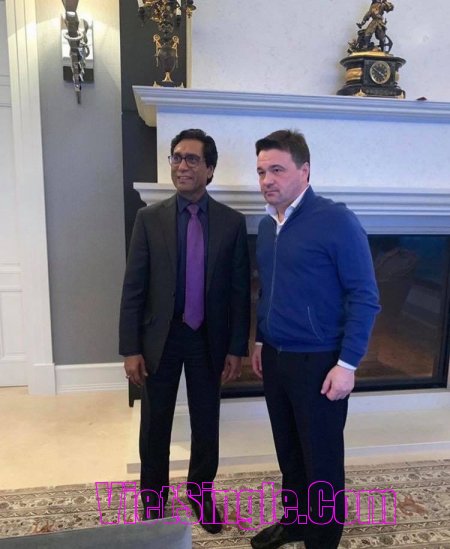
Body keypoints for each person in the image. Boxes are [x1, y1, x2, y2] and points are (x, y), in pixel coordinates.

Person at [250, 130, 380, 549]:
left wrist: (347, 365)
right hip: (276, 357)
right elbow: (268, 291)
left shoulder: (336, 221)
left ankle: (321, 541)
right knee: (289, 452)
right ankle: (295, 522)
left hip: (320, 363)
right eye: (261, 171)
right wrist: (260, 340)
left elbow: (365, 296)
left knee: (321, 460)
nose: (267, 180)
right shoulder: (266, 226)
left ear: (304, 171)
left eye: (277, 169)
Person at [119, 128, 250, 533]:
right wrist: (130, 348)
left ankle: (200, 492)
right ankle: (153, 500)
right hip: (160, 339)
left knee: (206, 420)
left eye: (192, 159)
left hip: (208, 339)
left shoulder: (232, 223)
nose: (182, 165)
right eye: (176, 157)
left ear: (209, 169)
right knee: (155, 422)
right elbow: (133, 287)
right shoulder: (149, 219)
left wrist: (236, 348)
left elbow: (239, 292)